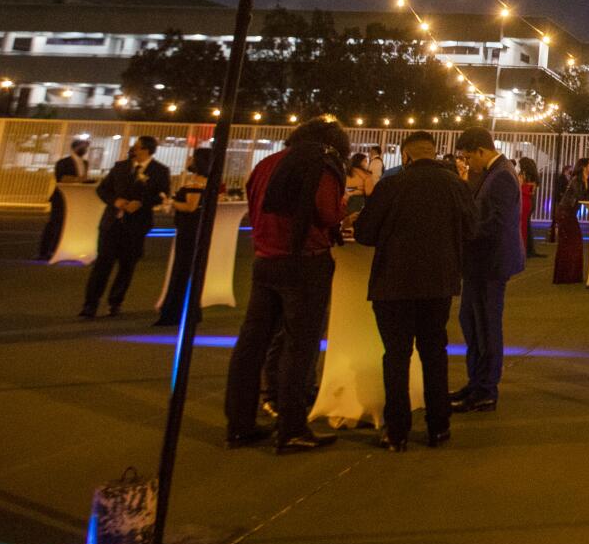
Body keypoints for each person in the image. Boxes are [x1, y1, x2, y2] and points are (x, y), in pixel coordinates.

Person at [225, 116, 350, 452]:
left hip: (265, 260)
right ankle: (291, 427)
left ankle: (239, 423)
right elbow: (326, 213)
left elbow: (253, 206)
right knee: (300, 346)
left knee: (252, 344)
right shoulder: (320, 164)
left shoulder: (266, 164)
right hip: (305, 262)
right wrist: (343, 209)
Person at [353, 131, 473, 451]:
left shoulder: (391, 185)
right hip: (438, 284)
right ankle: (438, 426)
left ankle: (397, 430)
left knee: (396, 355)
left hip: (393, 284)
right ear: (433, 154)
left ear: (405, 156)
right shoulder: (455, 187)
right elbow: (471, 229)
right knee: (434, 353)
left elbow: (365, 233)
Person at [455, 127, 524, 413]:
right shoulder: (495, 174)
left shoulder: (501, 177)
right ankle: (476, 383)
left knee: (485, 326)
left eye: (470, 157)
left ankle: (485, 389)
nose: (468, 163)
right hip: (483, 263)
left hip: (490, 264)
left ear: (482, 151)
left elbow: (497, 223)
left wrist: (463, 231)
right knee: (472, 322)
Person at [79, 136, 169, 318]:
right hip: (112, 223)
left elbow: (162, 195)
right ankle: (90, 304)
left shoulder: (160, 171)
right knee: (102, 264)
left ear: (146, 150)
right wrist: (115, 201)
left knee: (127, 266)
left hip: (136, 226)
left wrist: (142, 203)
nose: (133, 150)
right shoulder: (120, 167)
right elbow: (102, 189)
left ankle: (115, 302)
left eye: (137, 147)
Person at [152, 146, 214, 327]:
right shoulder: (203, 181)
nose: (188, 160)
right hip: (192, 229)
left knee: (182, 269)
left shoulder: (197, 182)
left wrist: (172, 202)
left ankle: (176, 311)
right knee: (187, 269)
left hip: (189, 231)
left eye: (192, 157)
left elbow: (190, 207)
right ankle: (188, 309)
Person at [40, 135, 90, 259]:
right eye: (83, 147)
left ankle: (62, 248)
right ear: (75, 147)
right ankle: (45, 251)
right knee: (55, 224)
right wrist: (79, 180)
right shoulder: (63, 162)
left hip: (76, 199)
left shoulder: (85, 163)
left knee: (70, 225)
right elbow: (61, 179)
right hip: (61, 198)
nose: (85, 150)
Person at [552, 158, 589, 283]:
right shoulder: (577, 180)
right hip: (566, 213)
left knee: (571, 243)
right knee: (571, 243)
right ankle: (567, 276)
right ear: (584, 167)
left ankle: (569, 275)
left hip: (569, 213)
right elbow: (581, 196)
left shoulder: (584, 180)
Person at [517, 157, 541, 257]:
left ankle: (520, 249)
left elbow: (518, 188)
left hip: (522, 201)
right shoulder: (534, 177)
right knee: (525, 226)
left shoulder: (522, 175)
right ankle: (525, 249)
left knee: (521, 226)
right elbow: (532, 191)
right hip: (529, 202)